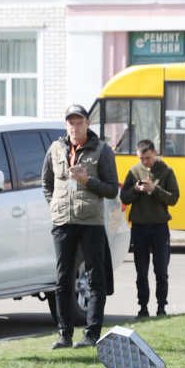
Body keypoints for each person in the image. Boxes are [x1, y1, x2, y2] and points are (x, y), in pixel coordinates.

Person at [42, 104, 119, 349]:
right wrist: (55, 204)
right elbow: (47, 183)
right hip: (63, 221)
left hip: (90, 222)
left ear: (87, 123)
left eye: (79, 122)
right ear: (66, 125)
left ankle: (91, 334)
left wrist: (88, 181)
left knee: (95, 278)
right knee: (63, 278)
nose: (75, 127)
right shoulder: (56, 149)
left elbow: (111, 189)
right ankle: (64, 334)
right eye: (70, 122)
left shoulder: (101, 150)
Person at [119, 139, 179, 317]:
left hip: (159, 226)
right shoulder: (134, 171)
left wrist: (154, 189)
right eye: (141, 158)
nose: (144, 162)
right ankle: (142, 307)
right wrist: (136, 190)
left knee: (161, 270)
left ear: (155, 153)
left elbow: (173, 198)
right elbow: (124, 197)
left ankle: (161, 307)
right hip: (139, 227)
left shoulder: (167, 172)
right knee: (141, 271)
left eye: (147, 158)